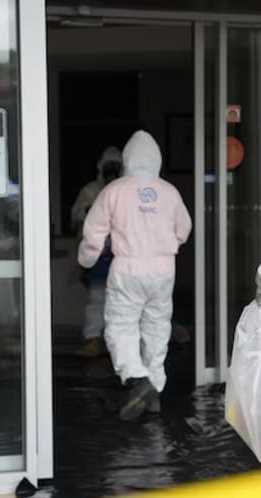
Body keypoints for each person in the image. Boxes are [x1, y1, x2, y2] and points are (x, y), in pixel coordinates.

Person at [78, 130, 192, 420]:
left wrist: (87, 259)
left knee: (121, 326)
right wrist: (164, 246)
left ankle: (137, 378)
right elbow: (184, 230)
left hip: (128, 268)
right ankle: (154, 388)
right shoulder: (169, 191)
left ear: (127, 159)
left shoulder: (114, 191)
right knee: (157, 328)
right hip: (163, 270)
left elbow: (93, 232)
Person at [72, 147, 123, 359]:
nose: (112, 171)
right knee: (96, 299)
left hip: (122, 255)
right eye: (109, 166)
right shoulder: (90, 191)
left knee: (124, 303)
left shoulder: (126, 190)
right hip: (99, 256)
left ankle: (121, 347)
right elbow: (76, 216)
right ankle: (92, 339)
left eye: (116, 166)